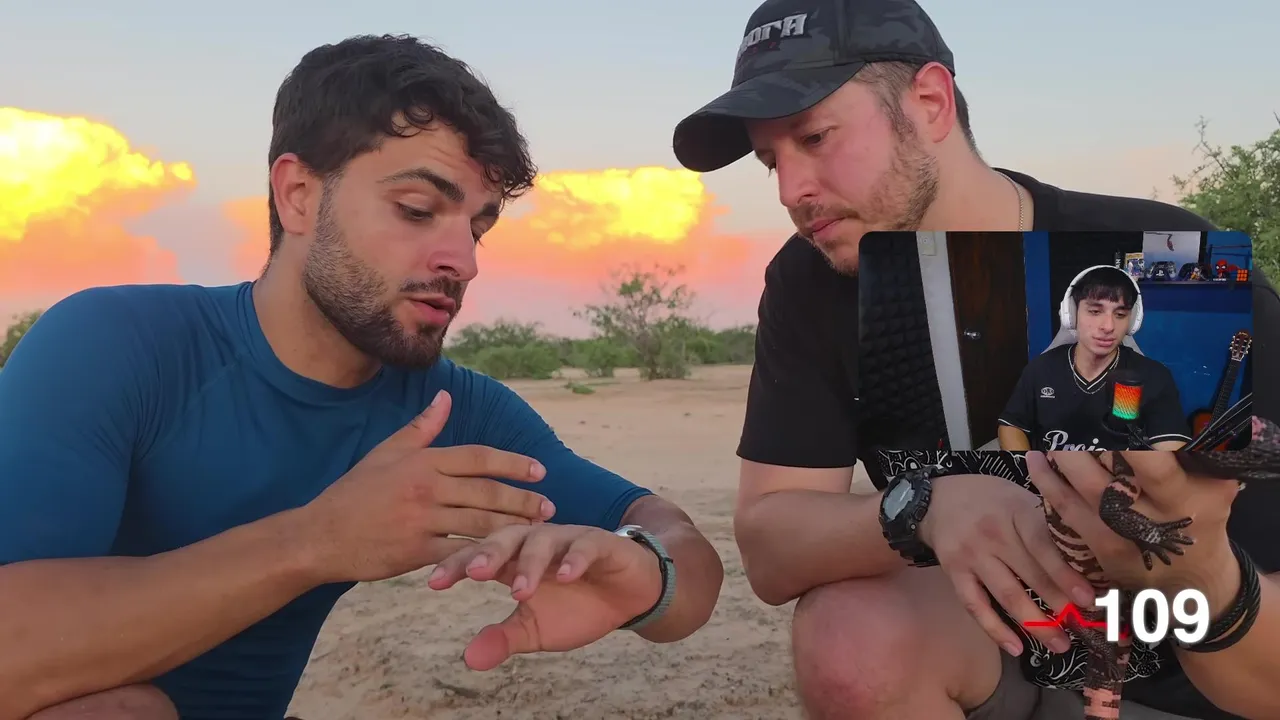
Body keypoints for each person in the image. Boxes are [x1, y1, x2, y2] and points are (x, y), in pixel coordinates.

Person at [0, 34, 724, 719]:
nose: (464, 262)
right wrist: (315, 540)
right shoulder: (119, 346)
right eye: (417, 210)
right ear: (298, 195)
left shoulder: (446, 414)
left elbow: (679, 546)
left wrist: (648, 574)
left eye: (477, 228)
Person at [672, 0, 1280, 718]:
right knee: (848, 631)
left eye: (815, 137)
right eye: (772, 161)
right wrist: (925, 508)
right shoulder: (815, 279)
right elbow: (773, 548)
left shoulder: (1173, 260)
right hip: (1010, 663)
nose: (789, 191)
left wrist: (1202, 572)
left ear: (930, 102)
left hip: (1216, 678)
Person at [999, 265, 1191, 452]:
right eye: (1095, 311)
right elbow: (1011, 426)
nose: (1108, 326)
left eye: (1120, 314)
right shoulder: (1040, 370)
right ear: (1071, 314)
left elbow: (1172, 447)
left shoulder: (1155, 376)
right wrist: (1026, 466)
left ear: (1132, 321)